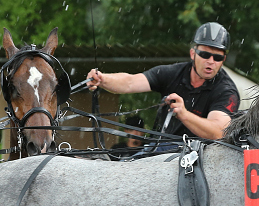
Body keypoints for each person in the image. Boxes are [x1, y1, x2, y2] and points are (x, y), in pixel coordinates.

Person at [86, 22, 240, 145]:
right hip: (159, 150)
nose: (211, 62)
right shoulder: (173, 73)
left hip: (199, 159)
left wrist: (184, 114)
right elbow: (130, 82)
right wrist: (103, 79)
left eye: (217, 58)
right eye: (205, 54)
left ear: (223, 60)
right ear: (193, 54)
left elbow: (219, 132)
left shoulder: (226, 90)